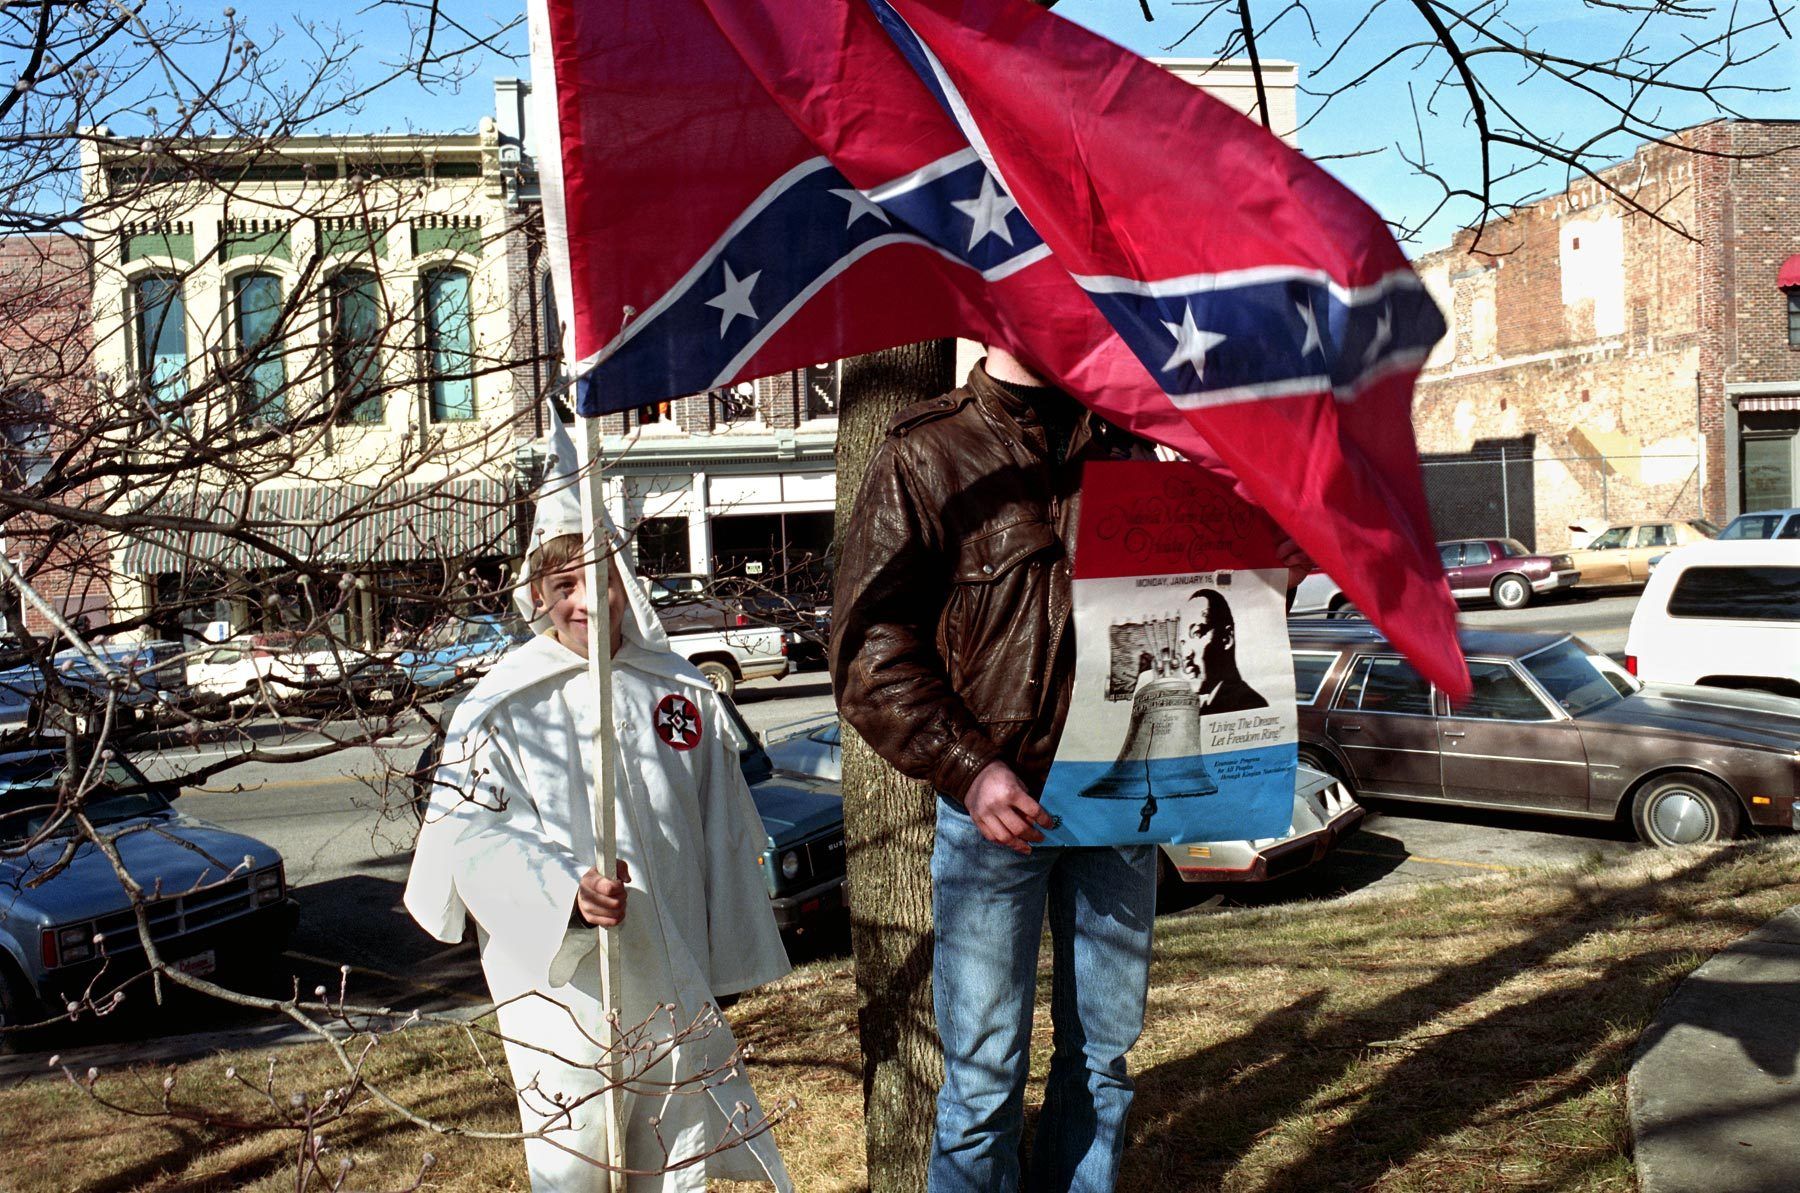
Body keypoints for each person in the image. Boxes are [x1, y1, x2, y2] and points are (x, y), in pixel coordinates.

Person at [832, 348, 1307, 1192]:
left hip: (1119, 803)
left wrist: (1267, 580)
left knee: (1103, 1061)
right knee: (981, 1081)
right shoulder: (924, 450)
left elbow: (1197, 607)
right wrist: (968, 768)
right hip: (993, 812)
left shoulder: (1136, 441)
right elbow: (870, 649)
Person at [405, 414, 792, 1193]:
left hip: (671, 961)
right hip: (560, 980)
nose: (586, 601)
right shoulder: (499, 707)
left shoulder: (679, 692)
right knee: (578, 1154)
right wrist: (566, 896)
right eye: (564, 585)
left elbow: (721, 832)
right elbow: (469, 838)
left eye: (601, 578)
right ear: (536, 594)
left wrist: (730, 950)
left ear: (629, 584)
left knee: (672, 1144)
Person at [1180, 587, 1267, 715]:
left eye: (1197, 633)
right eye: (1182, 642)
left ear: (1226, 638)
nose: (1186, 653)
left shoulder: (1250, 705)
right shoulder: (1204, 708)